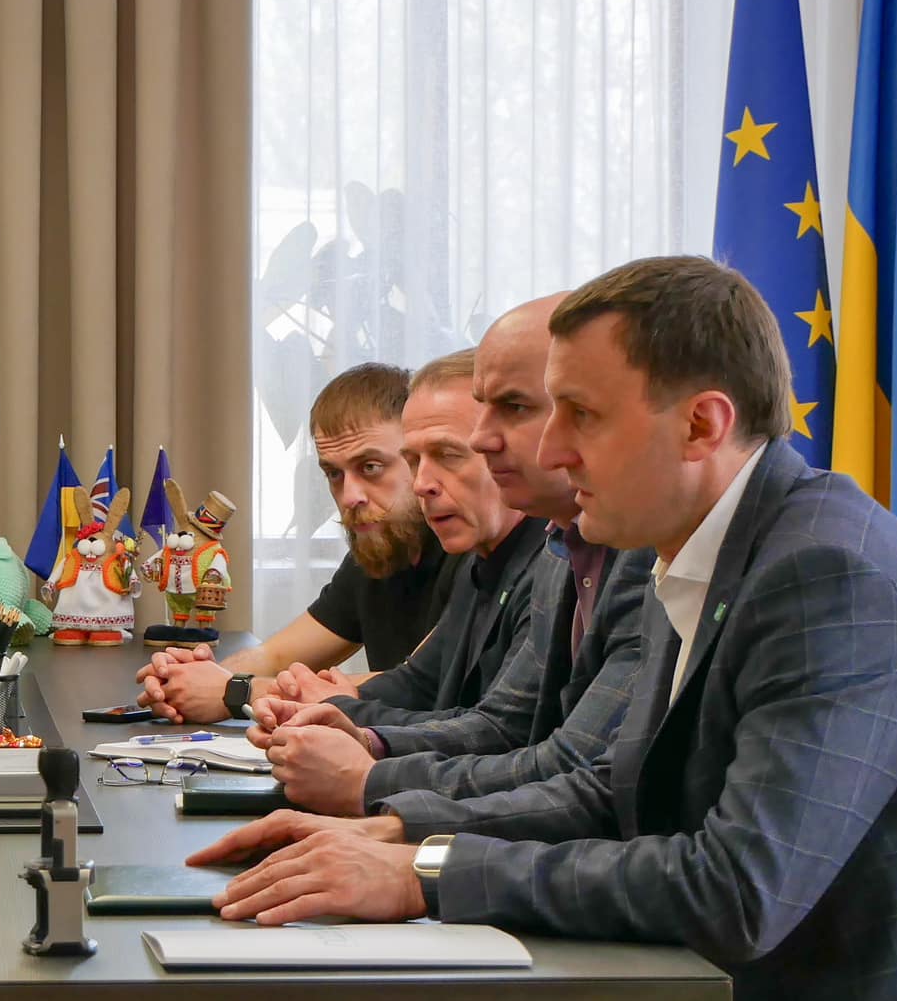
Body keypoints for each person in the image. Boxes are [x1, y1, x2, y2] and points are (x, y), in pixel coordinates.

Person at [200, 258, 897, 1001]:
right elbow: (609, 797)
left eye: (578, 415)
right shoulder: (698, 554)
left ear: (702, 424)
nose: (548, 451)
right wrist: (395, 836)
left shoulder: (830, 575)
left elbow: (736, 889)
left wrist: (427, 872)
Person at [242, 297, 654, 818]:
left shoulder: (630, 554)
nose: (486, 438)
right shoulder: (560, 545)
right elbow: (498, 722)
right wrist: (362, 735)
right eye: (415, 460)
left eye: (516, 408)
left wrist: (376, 791)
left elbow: (570, 767)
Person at [252, 351, 543, 811]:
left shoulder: (555, 560)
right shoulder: (481, 558)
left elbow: (504, 733)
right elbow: (419, 683)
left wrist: (362, 754)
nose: (423, 482)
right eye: (414, 460)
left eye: (447, 455)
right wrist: (327, 710)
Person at [136, 362, 461, 725]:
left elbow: (415, 685)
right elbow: (274, 656)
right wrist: (189, 677)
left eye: (370, 467)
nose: (349, 496)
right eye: (333, 473)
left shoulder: (469, 553)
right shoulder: (377, 550)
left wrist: (235, 690)